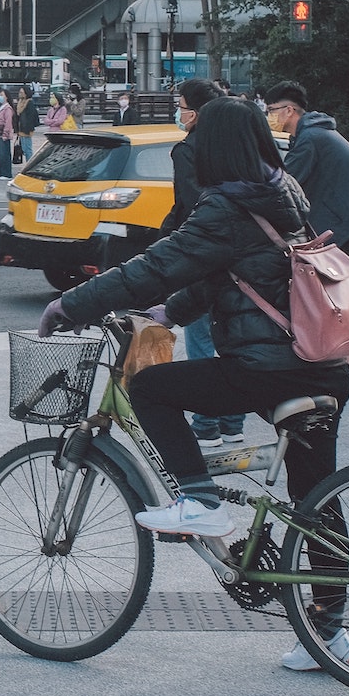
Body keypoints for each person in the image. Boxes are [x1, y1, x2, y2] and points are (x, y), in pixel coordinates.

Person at [39, 98, 349, 672]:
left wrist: (71, 304)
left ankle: (200, 501)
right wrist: (172, 314)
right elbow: (229, 273)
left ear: (211, 148)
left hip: (269, 367)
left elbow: (158, 264)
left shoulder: (227, 207)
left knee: (153, 389)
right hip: (322, 363)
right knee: (315, 501)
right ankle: (329, 635)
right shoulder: (282, 191)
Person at [158, 78, 241, 449]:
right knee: (227, 337)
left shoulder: (188, 149)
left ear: (196, 111)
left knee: (199, 337)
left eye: (181, 106)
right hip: (238, 254)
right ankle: (233, 421)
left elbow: (191, 204)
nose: (179, 112)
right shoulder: (232, 145)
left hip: (203, 252)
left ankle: (206, 424)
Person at [262, 80, 349, 268]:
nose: (269, 116)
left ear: (289, 110)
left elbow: (286, 184)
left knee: (336, 287)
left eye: (271, 110)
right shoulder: (313, 132)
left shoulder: (310, 139)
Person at [0, 89, 15, 179]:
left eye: (2, 95)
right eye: (0, 94)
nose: (0, 96)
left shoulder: (8, 108)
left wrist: (6, 134)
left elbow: (8, 122)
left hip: (3, 134)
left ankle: (7, 173)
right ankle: (1, 173)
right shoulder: (1, 107)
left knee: (4, 153)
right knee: (0, 154)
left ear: (6, 97)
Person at [13, 88, 40, 163]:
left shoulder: (29, 103)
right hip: (21, 129)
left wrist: (27, 129)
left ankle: (29, 164)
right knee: (24, 149)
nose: (20, 94)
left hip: (26, 130)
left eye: (22, 92)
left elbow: (30, 118)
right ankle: (27, 164)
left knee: (28, 150)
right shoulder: (20, 103)